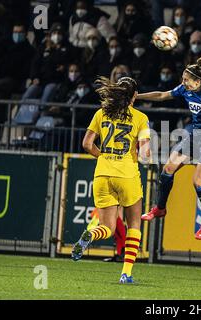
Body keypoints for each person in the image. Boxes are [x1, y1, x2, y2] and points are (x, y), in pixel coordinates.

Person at [135, 40, 201, 240]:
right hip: (195, 134)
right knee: (167, 169)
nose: (183, 83)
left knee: (198, 182)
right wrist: (138, 96)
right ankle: (160, 208)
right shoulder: (186, 89)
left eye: (186, 80)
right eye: (182, 79)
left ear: (198, 81)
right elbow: (162, 95)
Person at [71, 76, 151, 284]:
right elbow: (145, 152)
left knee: (107, 228)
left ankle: (90, 235)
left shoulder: (101, 113)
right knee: (134, 224)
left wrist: (104, 157)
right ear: (134, 96)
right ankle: (126, 273)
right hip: (127, 174)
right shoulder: (140, 118)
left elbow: (87, 144)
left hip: (102, 174)